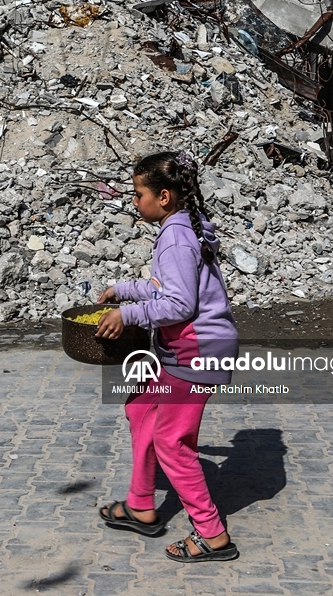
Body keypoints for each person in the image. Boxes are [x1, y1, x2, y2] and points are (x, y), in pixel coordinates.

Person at [93, 151, 240, 563]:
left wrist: (127, 315)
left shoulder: (176, 237)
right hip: (182, 349)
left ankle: (212, 535)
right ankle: (141, 505)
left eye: (137, 194)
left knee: (172, 443)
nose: (133, 201)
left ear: (163, 197)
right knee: (141, 407)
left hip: (196, 352)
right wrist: (124, 289)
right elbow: (165, 287)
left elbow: (177, 305)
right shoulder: (181, 227)